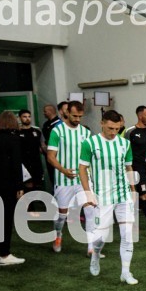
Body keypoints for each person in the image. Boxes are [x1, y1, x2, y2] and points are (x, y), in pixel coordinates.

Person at [79, 110, 137, 285]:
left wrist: (133, 190)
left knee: (127, 235)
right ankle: (95, 255)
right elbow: (82, 169)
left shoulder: (124, 144)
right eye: (110, 128)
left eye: (117, 129)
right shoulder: (90, 143)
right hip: (101, 197)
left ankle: (126, 272)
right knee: (100, 238)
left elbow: (128, 168)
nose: (113, 132)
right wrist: (88, 192)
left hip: (123, 195)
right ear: (102, 123)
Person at [46, 100, 95, 255]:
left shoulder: (86, 132)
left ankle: (91, 248)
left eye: (80, 116)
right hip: (63, 180)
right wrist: (62, 169)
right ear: (66, 112)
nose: (78, 119)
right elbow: (50, 156)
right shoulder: (57, 131)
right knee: (62, 215)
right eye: (74, 116)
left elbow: (90, 157)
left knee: (90, 211)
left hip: (83, 179)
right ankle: (58, 235)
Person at [0, 112, 26, 266]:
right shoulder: (14, 139)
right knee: (6, 219)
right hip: (8, 184)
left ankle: (2, 251)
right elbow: (16, 164)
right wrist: (20, 186)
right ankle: (5, 255)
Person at [125, 105, 146, 225]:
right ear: (140, 116)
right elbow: (126, 151)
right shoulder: (130, 132)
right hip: (138, 170)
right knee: (145, 196)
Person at [18, 109, 45, 193]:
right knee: (26, 186)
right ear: (20, 118)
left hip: (36, 162)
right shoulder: (17, 131)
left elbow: (43, 145)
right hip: (23, 163)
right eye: (24, 117)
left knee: (37, 186)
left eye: (29, 117)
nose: (27, 119)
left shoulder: (37, 131)